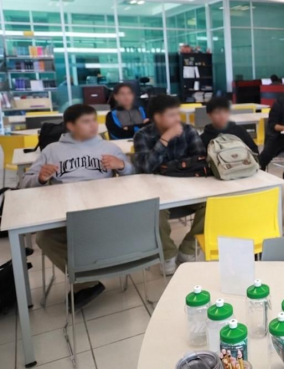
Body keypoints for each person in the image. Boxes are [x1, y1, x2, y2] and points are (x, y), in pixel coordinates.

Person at [21, 104, 134, 309]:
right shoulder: (52, 150)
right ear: (71, 126)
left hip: (103, 212)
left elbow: (133, 175)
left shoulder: (109, 147)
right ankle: (87, 282)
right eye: (86, 121)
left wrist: (122, 166)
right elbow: (24, 183)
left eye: (94, 120)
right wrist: (40, 178)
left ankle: (86, 280)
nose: (93, 125)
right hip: (67, 213)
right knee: (44, 238)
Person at [132, 95, 206, 275]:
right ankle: (167, 253)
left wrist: (165, 167)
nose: (177, 119)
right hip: (158, 191)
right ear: (157, 117)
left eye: (177, 114)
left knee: (213, 205)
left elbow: (200, 160)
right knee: (153, 211)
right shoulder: (142, 135)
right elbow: (146, 168)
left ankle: (188, 248)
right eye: (171, 115)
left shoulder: (188, 131)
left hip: (189, 188)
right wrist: (165, 139)